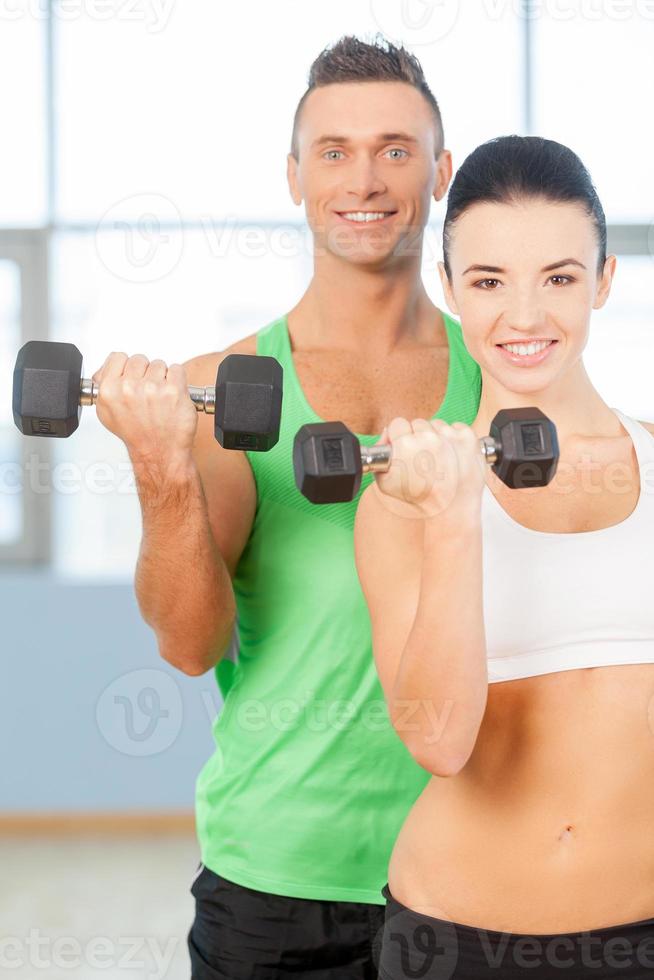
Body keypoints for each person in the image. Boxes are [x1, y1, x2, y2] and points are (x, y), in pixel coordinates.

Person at [90, 36, 482, 978]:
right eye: (335, 151)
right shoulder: (220, 391)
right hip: (278, 880)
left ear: (441, 171)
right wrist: (161, 467)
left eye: (396, 149)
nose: (366, 179)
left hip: (467, 865)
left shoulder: (504, 386)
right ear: (295, 176)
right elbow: (188, 646)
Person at [354, 134, 654, 978]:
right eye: (488, 282)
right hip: (455, 943)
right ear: (449, 290)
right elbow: (440, 742)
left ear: (603, 280)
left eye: (559, 277)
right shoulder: (404, 499)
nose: (524, 317)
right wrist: (454, 516)